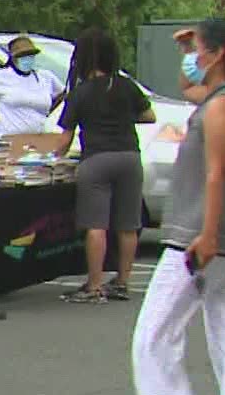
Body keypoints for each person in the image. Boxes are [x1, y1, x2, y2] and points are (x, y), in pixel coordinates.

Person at [115, 20, 225, 395]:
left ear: (217, 55)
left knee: (155, 330)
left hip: (201, 237)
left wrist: (207, 235)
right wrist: (186, 56)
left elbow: (215, 173)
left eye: (197, 49)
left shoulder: (222, 108)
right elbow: (189, 90)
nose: (191, 57)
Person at [45, 28, 155, 304]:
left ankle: (94, 285)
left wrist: (50, 157)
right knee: (128, 225)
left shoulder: (81, 93)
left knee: (97, 225)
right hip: (129, 156)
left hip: (97, 159)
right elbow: (149, 115)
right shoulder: (125, 86)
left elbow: (65, 138)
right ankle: (122, 282)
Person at [0, 35, 67, 140]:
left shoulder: (46, 77)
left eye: (30, 55)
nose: (27, 59)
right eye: (22, 56)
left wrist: (46, 113)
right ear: (12, 57)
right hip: (3, 138)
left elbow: (62, 93)